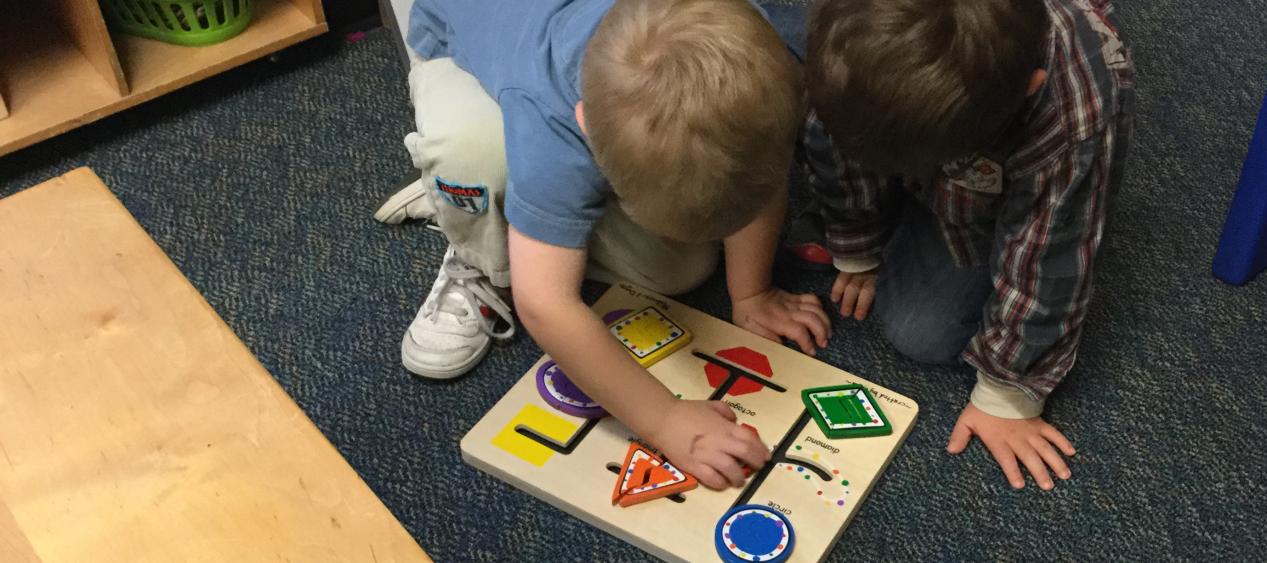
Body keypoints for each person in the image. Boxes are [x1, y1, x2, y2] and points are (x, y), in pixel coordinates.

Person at [392, 0, 831, 489]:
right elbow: (544, 306)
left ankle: (545, 220)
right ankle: (479, 225)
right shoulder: (549, 120)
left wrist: (751, 291)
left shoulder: (757, 42)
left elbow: (758, 167)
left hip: (581, 64)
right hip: (459, 53)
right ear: (585, 125)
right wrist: (664, 420)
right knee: (470, 150)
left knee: (679, 271)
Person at [801, 0, 1134, 490]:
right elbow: (831, 135)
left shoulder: (1071, 113)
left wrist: (1006, 395)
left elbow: (1050, 261)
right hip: (932, 121)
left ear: (1027, 92)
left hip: (1007, 173)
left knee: (921, 331)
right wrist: (856, 244)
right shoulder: (852, 42)